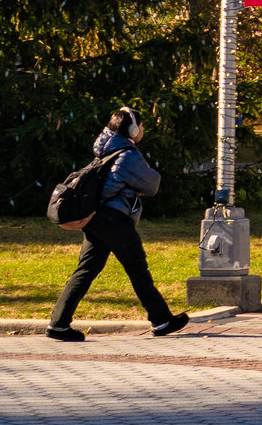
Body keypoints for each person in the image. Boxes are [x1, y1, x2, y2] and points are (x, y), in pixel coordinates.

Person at [46, 107, 189, 341]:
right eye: (141, 126)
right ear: (133, 129)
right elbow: (152, 185)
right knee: (137, 269)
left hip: (95, 219)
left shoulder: (105, 148)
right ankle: (161, 320)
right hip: (114, 220)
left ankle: (58, 324)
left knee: (86, 270)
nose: (142, 130)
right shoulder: (128, 154)